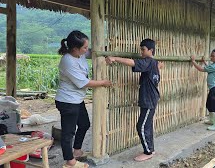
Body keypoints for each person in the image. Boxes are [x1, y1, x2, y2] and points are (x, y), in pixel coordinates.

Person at [55, 30, 112, 168]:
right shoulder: (67, 61)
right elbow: (83, 82)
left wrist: (106, 53)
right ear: (75, 49)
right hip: (67, 101)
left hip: (77, 100)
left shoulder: (79, 54)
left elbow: (93, 52)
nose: (87, 50)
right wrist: (103, 83)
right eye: (85, 48)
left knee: (84, 124)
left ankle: (77, 150)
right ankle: (70, 161)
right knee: (68, 132)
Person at [105, 38, 163, 162]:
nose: (141, 52)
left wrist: (115, 58)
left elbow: (132, 63)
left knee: (141, 126)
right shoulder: (153, 63)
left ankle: (148, 152)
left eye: (143, 49)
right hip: (150, 98)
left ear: (150, 50)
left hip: (149, 100)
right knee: (147, 126)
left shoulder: (148, 61)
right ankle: (150, 149)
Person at [191, 49, 215, 131]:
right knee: (209, 104)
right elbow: (208, 69)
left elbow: (202, 69)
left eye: (213, 56)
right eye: (211, 55)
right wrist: (204, 62)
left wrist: (193, 61)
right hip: (214, 89)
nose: (211, 57)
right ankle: (212, 120)